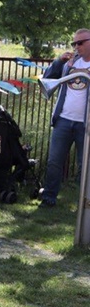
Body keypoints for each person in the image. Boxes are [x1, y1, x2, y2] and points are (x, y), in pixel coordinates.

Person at [39, 28, 90, 208]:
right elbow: (46, 79)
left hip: (86, 124)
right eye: (74, 43)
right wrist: (58, 62)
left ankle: (83, 204)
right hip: (63, 120)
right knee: (54, 161)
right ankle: (49, 197)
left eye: (80, 43)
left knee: (85, 167)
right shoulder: (69, 62)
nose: (76, 47)